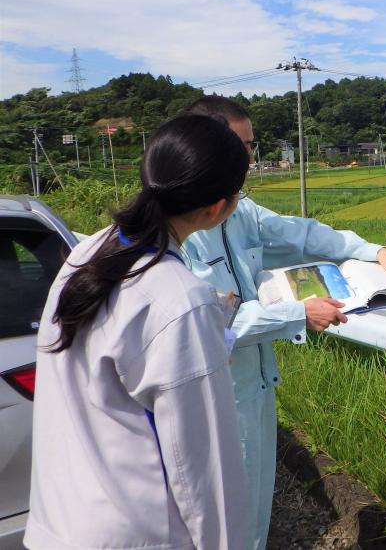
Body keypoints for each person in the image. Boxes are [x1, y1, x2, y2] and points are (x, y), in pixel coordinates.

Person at [182, 95, 386, 550]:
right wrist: (300, 312)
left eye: (251, 146)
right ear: (207, 148)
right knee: (219, 520)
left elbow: (302, 233)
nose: (250, 159)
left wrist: (376, 253)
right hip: (214, 397)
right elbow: (208, 320)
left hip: (254, 386)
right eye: (243, 147)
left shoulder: (239, 211)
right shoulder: (181, 229)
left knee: (255, 509)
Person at [25, 115, 251, 549]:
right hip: (138, 535)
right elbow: (205, 470)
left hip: (61, 526)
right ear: (217, 208)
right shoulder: (179, 300)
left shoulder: (90, 252)